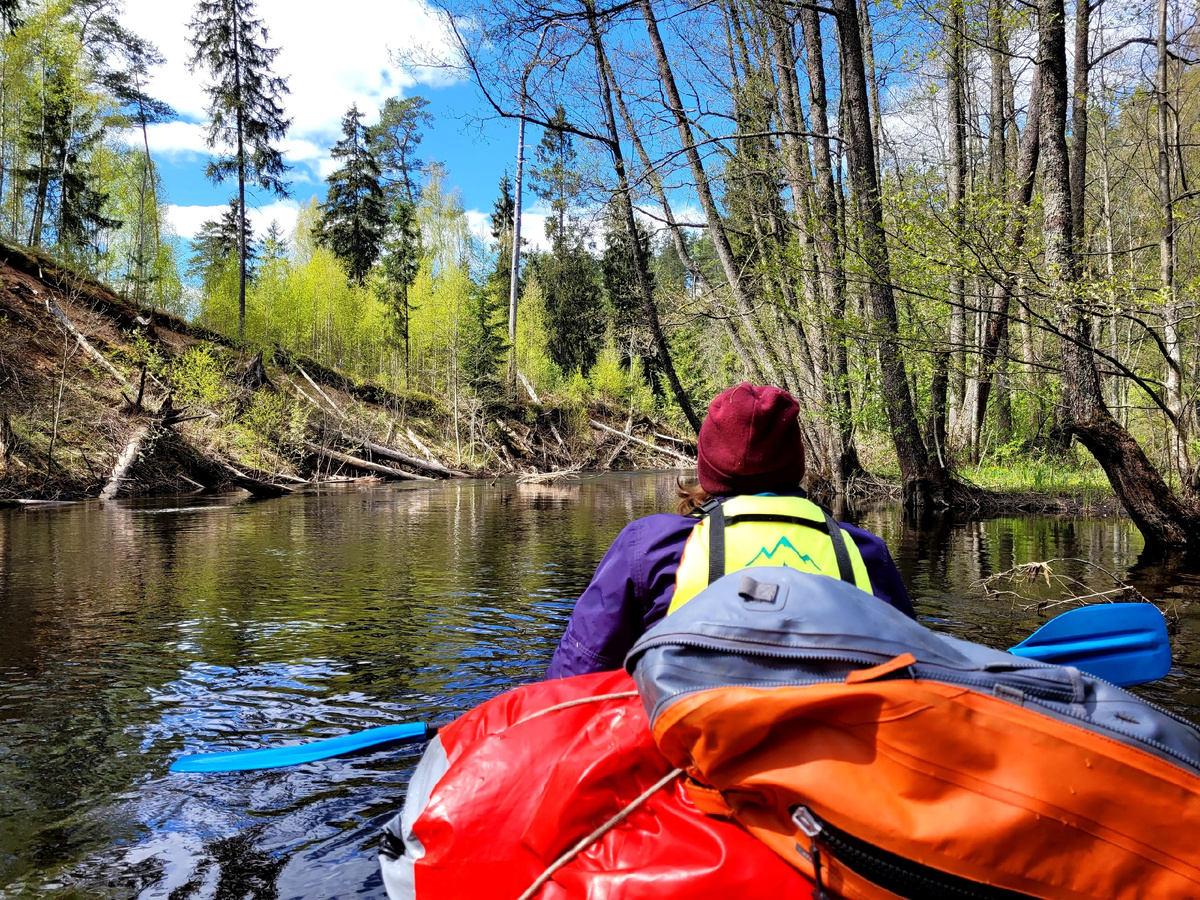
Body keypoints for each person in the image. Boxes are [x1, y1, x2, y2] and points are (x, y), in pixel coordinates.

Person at [546, 382, 914, 679]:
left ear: (708, 464)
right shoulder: (864, 552)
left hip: (697, 756)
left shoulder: (649, 546)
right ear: (796, 465)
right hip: (833, 760)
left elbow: (577, 673)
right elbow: (911, 673)